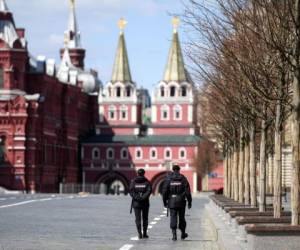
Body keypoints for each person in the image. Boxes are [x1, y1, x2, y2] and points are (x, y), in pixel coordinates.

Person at [162, 164, 192, 241]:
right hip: (181, 201)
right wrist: (189, 202)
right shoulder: (183, 178)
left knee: (173, 217)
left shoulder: (168, 179)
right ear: (179, 170)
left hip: (172, 201)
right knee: (182, 217)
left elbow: (164, 191)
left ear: (173, 170)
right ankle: (183, 233)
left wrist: (164, 201)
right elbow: (188, 191)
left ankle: (174, 235)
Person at [129, 168, 152, 239]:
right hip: (145, 202)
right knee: (145, 218)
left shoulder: (133, 182)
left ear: (138, 173)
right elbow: (149, 191)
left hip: (136, 203)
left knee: (138, 219)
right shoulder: (147, 182)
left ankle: (139, 233)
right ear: (144, 173)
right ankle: (145, 233)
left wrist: (137, 198)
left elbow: (131, 191)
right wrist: (143, 197)